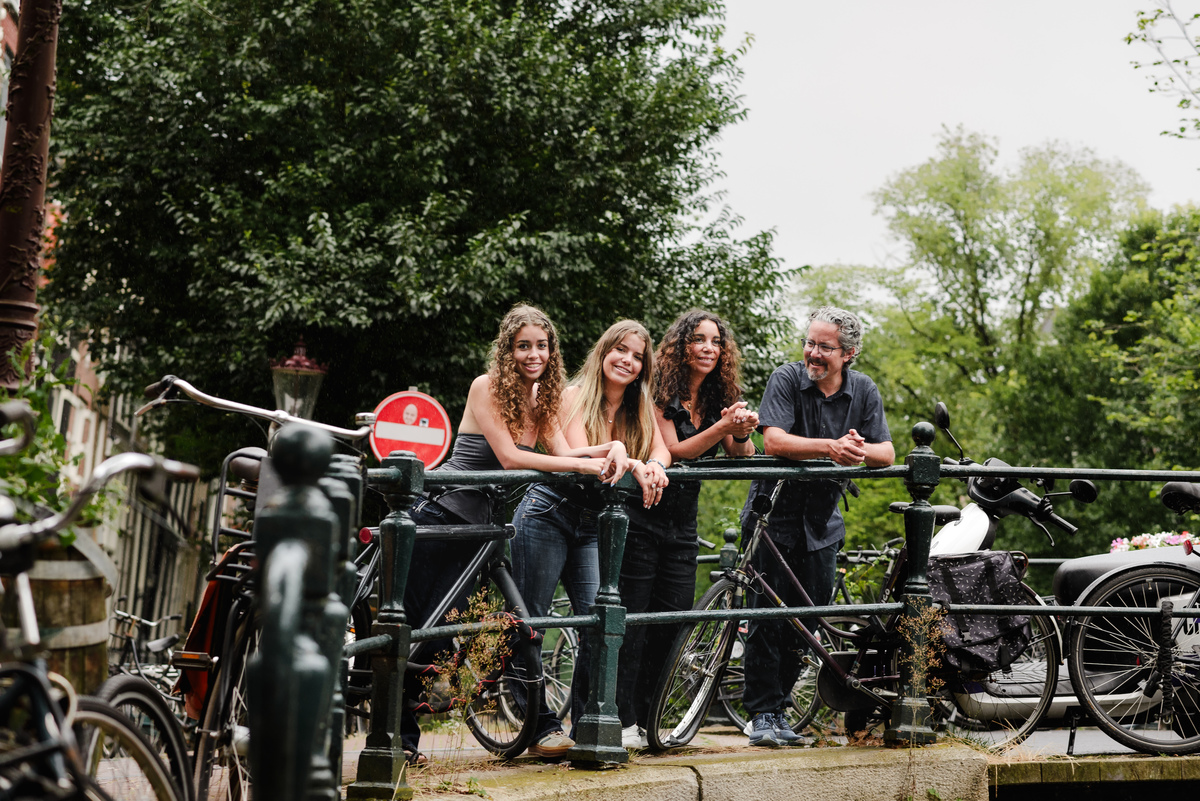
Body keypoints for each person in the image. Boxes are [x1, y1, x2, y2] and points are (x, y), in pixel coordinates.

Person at [400, 304, 629, 764]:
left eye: (541, 346)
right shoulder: (485, 387)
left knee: (490, 628)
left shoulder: (543, 398)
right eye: (523, 346)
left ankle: (537, 720)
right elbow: (509, 457)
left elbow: (564, 450)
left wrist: (614, 447)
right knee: (420, 629)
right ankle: (401, 740)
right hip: (444, 519)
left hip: (484, 533)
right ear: (508, 350)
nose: (534, 354)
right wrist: (585, 465)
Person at [511, 319, 671, 753]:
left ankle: (587, 728)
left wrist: (654, 464)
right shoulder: (574, 395)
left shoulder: (639, 405)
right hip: (548, 512)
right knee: (534, 622)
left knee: (599, 624)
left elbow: (662, 448)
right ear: (603, 351)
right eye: (621, 350)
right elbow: (576, 457)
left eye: (637, 356)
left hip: (590, 524)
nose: (628, 360)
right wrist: (632, 463)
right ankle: (538, 724)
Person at [739, 306, 895, 747]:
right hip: (774, 515)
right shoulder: (786, 378)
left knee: (807, 621)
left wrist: (855, 451)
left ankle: (781, 707)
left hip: (823, 523)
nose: (812, 352)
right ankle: (762, 714)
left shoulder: (863, 390)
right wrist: (831, 448)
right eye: (810, 342)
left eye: (824, 346)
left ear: (847, 353)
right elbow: (773, 441)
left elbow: (887, 451)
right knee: (766, 619)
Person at [616, 310, 758, 749]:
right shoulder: (658, 391)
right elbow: (674, 452)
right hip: (642, 513)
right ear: (680, 346)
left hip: (683, 526)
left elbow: (742, 455)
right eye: (698, 340)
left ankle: (651, 721)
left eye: (715, 341)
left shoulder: (719, 396)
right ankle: (621, 721)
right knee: (634, 624)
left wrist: (742, 428)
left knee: (672, 623)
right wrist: (721, 428)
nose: (708, 348)